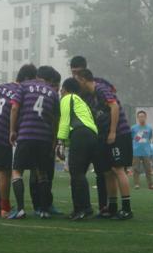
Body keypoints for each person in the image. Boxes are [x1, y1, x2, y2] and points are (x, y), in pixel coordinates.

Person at [0, 64, 37, 218]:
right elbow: (15, 110)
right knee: (4, 172)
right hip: (2, 135)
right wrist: (13, 130)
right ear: (28, 79)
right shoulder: (21, 91)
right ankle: (4, 209)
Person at [76, 69, 133, 220]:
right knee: (107, 172)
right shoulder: (89, 96)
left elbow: (114, 106)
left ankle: (126, 209)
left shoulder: (100, 89)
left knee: (118, 169)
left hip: (118, 134)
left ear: (83, 80)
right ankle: (112, 207)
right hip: (104, 135)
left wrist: (113, 132)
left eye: (77, 81)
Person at [8, 66, 60, 220]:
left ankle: (21, 209)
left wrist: (12, 130)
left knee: (17, 171)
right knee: (42, 173)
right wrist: (54, 139)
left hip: (26, 134)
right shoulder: (52, 92)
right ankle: (44, 210)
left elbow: (14, 108)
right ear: (50, 80)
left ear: (37, 75)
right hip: (44, 137)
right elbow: (56, 119)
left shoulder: (24, 87)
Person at [69, 56, 114, 214]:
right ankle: (81, 207)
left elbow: (113, 99)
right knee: (78, 171)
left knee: (102, 172)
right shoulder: (73, 87)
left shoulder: (100, 84)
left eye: (78, 72)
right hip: (82, 134)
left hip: (100, 133)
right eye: (73, 72)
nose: (75, 75)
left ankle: (104, 207)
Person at [57, 77, 100, 220]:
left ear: (65, 89)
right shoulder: (81, 102)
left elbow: (65, 121)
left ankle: (83, 209)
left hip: (80, 134)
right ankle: (81, 208)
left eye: (61, 90)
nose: (60, 92)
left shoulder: (67, 98)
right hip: (92, 135)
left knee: (76, 173)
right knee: (79, 173)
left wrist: (60, 142)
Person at [131, 110, 153, 190]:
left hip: (146, 152)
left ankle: (150, 185)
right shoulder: (133, 128)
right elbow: (131, 138)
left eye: (143, 116)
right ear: (137, 118)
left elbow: (149, 138)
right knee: (136, 169)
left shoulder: (149, 128)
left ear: (145, 117)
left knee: (148, 169)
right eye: (140, 116)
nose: (141, 118)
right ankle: (136, 184)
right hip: (136, 151)